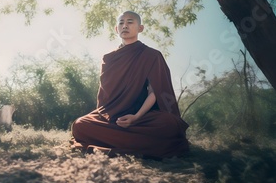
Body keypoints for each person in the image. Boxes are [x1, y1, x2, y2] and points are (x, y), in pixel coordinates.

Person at [70, 11, 189, 158]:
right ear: (116, 29)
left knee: (169, 124)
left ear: (140, 28)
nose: (125, 25)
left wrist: (136, 117)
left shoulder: (152, 55)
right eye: (121, 23)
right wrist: (107, 116)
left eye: (130, 22)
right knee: (80, 125)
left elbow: (155, 92)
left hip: (141, 117)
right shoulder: (109, 58)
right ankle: (140, 145)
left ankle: (113, 143)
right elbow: (105, 95)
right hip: (112, 117)